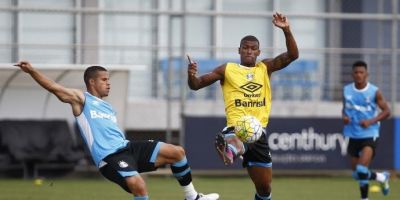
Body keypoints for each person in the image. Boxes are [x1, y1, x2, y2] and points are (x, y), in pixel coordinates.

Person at [14, 61, 219, 200]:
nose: (108, 83)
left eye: (108, 79)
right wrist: (32, 71)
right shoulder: (81, 99)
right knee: (139, 185)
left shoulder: (108, 107)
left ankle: (192, 197)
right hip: (109, 157)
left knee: (177, 152)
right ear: (92, 81)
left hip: (126, 148)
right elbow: (54, 87)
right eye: (104, 79)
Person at [187, 12, 298, 200]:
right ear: (239, 50)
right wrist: (191, 75)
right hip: (236, 126)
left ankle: (234, 149)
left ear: (258, 52)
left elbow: (292, 55)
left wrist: (286, 30)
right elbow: (196, 85)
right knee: (237, 136)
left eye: (253, 48)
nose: (249, 51)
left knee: (264, 189)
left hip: (259, 132)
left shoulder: (265, 68)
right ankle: (230, 149)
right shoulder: (227, 69)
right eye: (245, 48)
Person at [342, 60, 391, 200]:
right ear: (352, 74)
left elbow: (387, 111)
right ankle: (382, 177)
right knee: (357, 174)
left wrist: (371, 121)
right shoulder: (346, 90)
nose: (358, 75)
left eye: (361, 72)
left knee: (362, 169)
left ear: (366, 74)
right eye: (356, 72)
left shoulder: (374, 91)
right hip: (352, 134)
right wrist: (344, 117)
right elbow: (344, 110)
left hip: (370, 134)